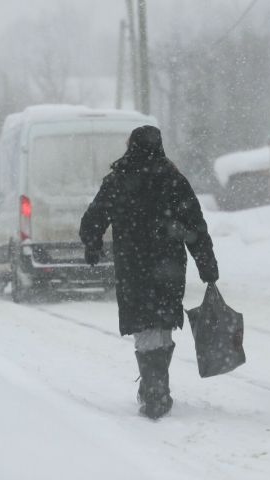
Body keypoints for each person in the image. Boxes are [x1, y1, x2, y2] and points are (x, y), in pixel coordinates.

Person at [79, 125, 218, 419]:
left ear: (132, 146)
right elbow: (196, 227)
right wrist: (207, 266)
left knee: (143, 324)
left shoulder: (117, 180)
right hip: (168, 266)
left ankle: (153, 390)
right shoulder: (174, 181)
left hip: (133, 267)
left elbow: (93, 218)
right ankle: (157, 388)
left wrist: (92, 244)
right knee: (163, 320)